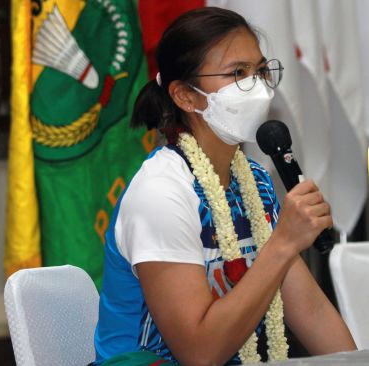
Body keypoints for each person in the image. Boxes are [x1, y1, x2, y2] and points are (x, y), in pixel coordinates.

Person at [93, 7, 356, 366]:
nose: (259, 87)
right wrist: (282, 243)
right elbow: (199, 354)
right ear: (186, 96)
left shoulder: (256, 182)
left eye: (261, 71)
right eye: (238, 73)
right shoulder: (160, 193)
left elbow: (309, 311)